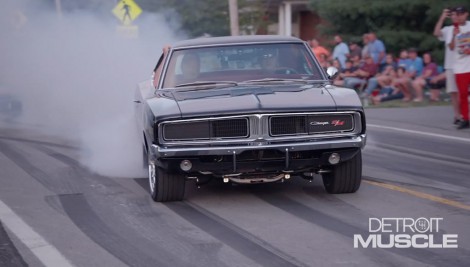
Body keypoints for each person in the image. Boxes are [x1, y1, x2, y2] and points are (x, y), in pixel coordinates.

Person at [434, 7, 462, 124]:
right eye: (453, 15)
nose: (455, 17)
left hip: (464, 65)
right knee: (453, 92)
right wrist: (442, 17)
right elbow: (436, 33)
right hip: (450, 65)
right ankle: (457, 115)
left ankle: (464, 114)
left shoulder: (468, 26)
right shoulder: (448, 29)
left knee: (463, 92)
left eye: (457, 15)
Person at [448, 6, 470, 129]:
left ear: (466, 14)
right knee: (462, 94)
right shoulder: (453, 28)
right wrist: (453, 36)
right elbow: (451, 47)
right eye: (457, 14)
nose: (459, 16)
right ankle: (465, 119)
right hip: (460, 67)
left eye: (461, 13)